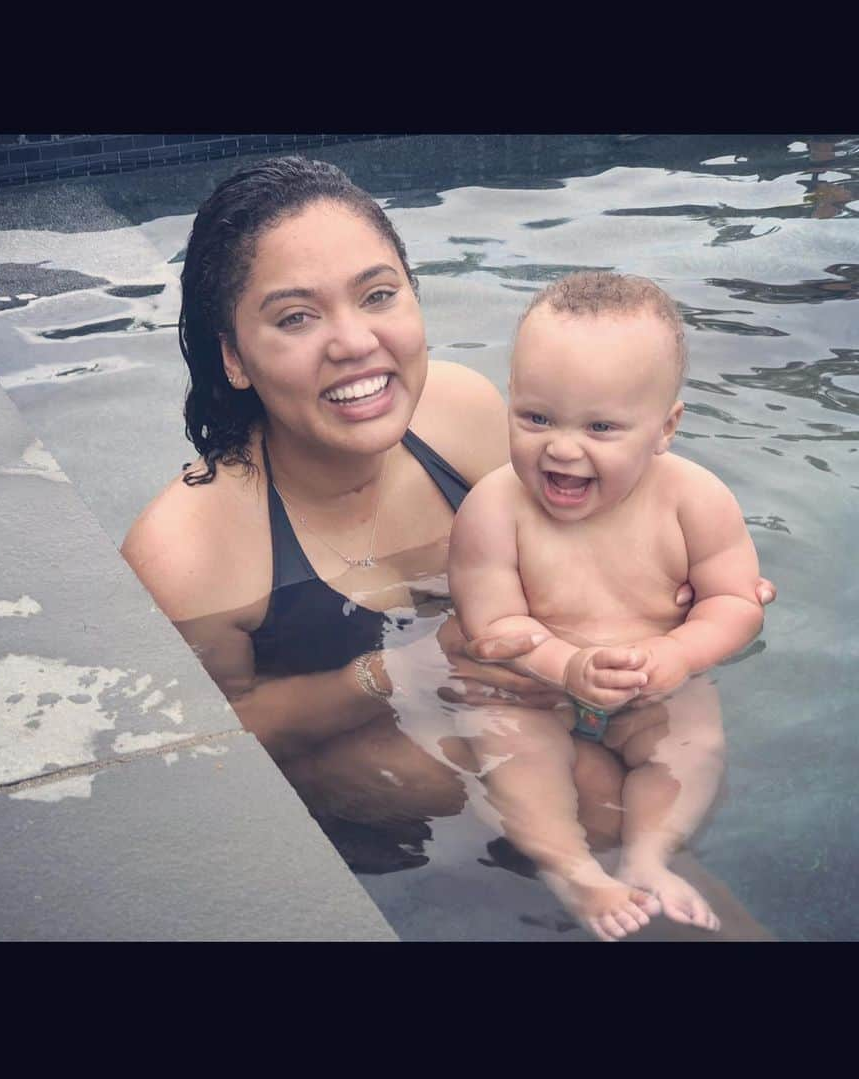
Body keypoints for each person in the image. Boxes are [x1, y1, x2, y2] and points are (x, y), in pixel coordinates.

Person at [120, 157, 777, 935]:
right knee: (596, 801)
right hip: (343, 737)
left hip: (517, 689)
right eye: (296, 317)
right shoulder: (187, 547)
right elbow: (209, 743)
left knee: (643, 774)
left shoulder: (460, 413)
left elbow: (573, 528)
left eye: (378, 295)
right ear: (233, 354)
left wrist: (688, 582)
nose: (355, 341)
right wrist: (398, 672)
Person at [449, 272, 765, 941]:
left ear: (665, 427)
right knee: (508, 742)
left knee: (690, 741)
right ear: (509, 401)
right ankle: (572, 870)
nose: (562, 447)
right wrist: (567, 667)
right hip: (537, 692)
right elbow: (495, 626)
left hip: (657, 689)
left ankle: (651, 857)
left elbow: (736, 600)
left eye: (600, 426)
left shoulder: (695, 500)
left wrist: (676, 654)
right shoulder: (494, 508)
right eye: (536, 417)